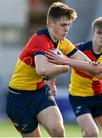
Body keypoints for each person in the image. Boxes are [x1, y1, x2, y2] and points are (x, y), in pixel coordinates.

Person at [6, 2, 90, 137]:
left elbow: (85, 60)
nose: (67, 29)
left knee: (58, 130)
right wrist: (65, 67)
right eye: (63, 25)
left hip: (40, 92)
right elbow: (42, 70)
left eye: (68, 25)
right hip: (19, 98)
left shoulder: (62, 42)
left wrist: (97, 65)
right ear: (50, 23)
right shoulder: (40, 40)